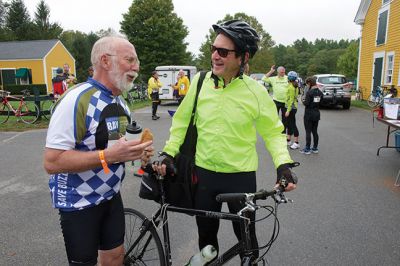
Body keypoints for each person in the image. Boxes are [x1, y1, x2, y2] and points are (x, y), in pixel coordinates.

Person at [155, 20, 298, 262]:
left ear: (242, 57)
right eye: (213, 49)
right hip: (204, 175)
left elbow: (273, 132)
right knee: (207, 240)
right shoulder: (200, 84)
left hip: (240, 176)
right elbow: (180, 123)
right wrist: (168, 153)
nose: (215, 56)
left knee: (247, 239)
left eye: (223, 52)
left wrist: (283, 164)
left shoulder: (256, 91)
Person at [43, 35, 153, 266]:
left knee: (114, 258)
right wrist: (110, 156)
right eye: (130, 60)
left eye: (137, 62)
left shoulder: (120, 102)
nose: (136, 67)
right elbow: (52, 162)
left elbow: (114, 147)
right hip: (78, 202)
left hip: (111, 196)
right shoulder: (76, 99)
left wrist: (138, 153)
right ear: (105, 61)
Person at [262, 65, 288, 135]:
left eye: (284, 72)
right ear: (278, 72)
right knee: (274, 117)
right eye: (282, 72)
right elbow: (263, 78)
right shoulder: (273, 79)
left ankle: (283, 132)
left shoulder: (287, 78)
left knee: (284, 118)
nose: (283, 74)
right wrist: (271, 71)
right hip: (276, 101)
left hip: (285, 102)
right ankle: (275, 130)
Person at [301, 76, 323, 154]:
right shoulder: (320, 92)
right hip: (316, 113)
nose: (307, 85)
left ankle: (307, 149)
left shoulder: (309, 93)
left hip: (309, 114)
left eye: (307, 84)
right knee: (315, 131)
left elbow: (306, 103)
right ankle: (315, 148)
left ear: (310, 83)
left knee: (308, 131)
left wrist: (302, 100)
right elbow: (321, 102)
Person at [285, 71, 300, 149]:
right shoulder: (294, 85)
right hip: (292, 107)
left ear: (289, 78)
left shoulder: (291, 87)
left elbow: (291, 100)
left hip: (291, 108)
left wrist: (288, 110)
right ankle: (288, 140)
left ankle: (296, 142)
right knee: (289, 124)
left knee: (293, 124)